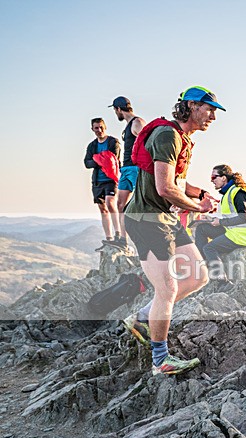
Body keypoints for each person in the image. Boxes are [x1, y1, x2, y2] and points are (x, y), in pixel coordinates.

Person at [122, 86, 225, 375]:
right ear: (191, 106)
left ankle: (142, 318)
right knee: (167, 288)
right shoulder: (167, 135)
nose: (213, 116)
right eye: (210, 109)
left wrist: (200, 192)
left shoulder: (181, 138)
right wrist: (197, 207)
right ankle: (160, 360)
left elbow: (176, 180)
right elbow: (164, 187)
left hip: (164, 220)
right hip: (146, 220)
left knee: (197, 276)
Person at [193, 164, 246, 281]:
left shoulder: (238, 193)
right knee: (201, 229)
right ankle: (204, 263)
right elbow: (227, 215)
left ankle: (220, 277)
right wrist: (210, 219)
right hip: (234, 231)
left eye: (214, 177)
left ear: (224, 178)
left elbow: (243, 218)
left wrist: (220, 222)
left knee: (209, 248)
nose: (212, 181)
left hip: (243, 236)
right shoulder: (228, 193)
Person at [110, 96, 146, 249]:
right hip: (125, 169)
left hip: (135, 169)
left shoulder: (137, 122)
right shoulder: (128, 125)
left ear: (118, 109)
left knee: (139, 205)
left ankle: (145, 239)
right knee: (120, 204)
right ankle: (122, 240)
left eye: (114, 110)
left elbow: (148, 143)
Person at [84, 118, 122, 250]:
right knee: (102, 209)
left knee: (110, 203)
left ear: (105, 127)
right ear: (92, 129)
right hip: (97, 181)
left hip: (111, 179)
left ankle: (118, 234)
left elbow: (112, 159)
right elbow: (87, 163)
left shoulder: (113, 142)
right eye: (96, 128)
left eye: (101, 127)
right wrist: (100, 159)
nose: (99, 130)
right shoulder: (92, 146)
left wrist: (96, 158)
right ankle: (109, 238)